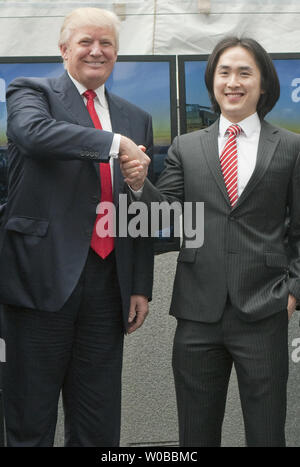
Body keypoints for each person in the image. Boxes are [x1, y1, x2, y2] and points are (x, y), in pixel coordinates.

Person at [121, 37, 300, 447]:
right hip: (198, 314)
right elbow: (164, 215)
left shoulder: (291, 147)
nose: (232, 81)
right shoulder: (187, 146)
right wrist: (137, 183)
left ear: (264, 84)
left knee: (267, 433)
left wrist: (292, 292)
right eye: (224, 72)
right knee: (195, 436)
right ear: (212, 81)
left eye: (244, 72)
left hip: (265, 310)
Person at [0, 7, 153, 447]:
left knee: (98, 424)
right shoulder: (31, 92)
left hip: (109, 288)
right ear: (64, 49)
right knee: (30, 419)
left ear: (117, 56)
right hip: (40, 283)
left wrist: (139, 284)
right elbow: (33, 134)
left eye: (106, 43)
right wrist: (113, 144)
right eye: (86, 41)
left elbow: (135, 208)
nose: (96, 50)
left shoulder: (135, 116)